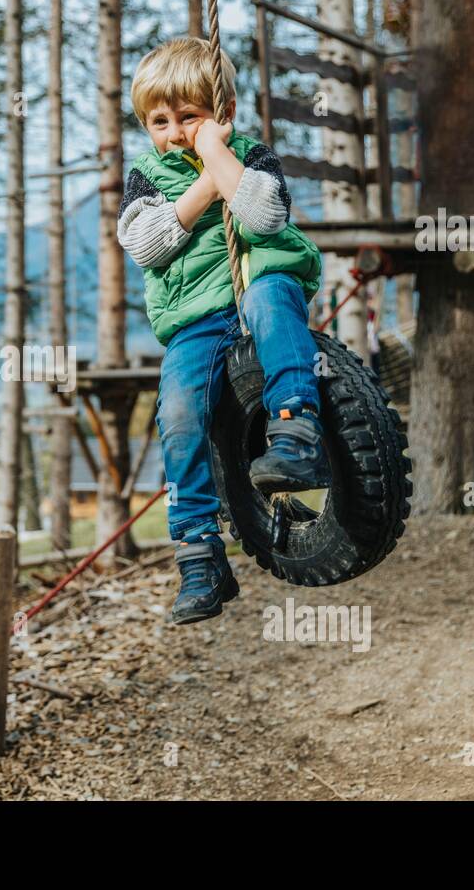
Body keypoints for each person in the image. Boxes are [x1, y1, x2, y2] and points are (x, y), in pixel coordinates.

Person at [117, 37, 325, 625]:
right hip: (195, 316)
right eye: (161, 122)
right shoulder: (147, 175)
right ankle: (198, 551)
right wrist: (208, 181)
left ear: (223, 111)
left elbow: (262, 216)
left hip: (258, 282)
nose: (176, 133)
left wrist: (221, 155)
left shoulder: (253, 156)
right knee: (180, 412)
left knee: (271, 306)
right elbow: (145, 244)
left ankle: (295, 428)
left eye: (190, 117)